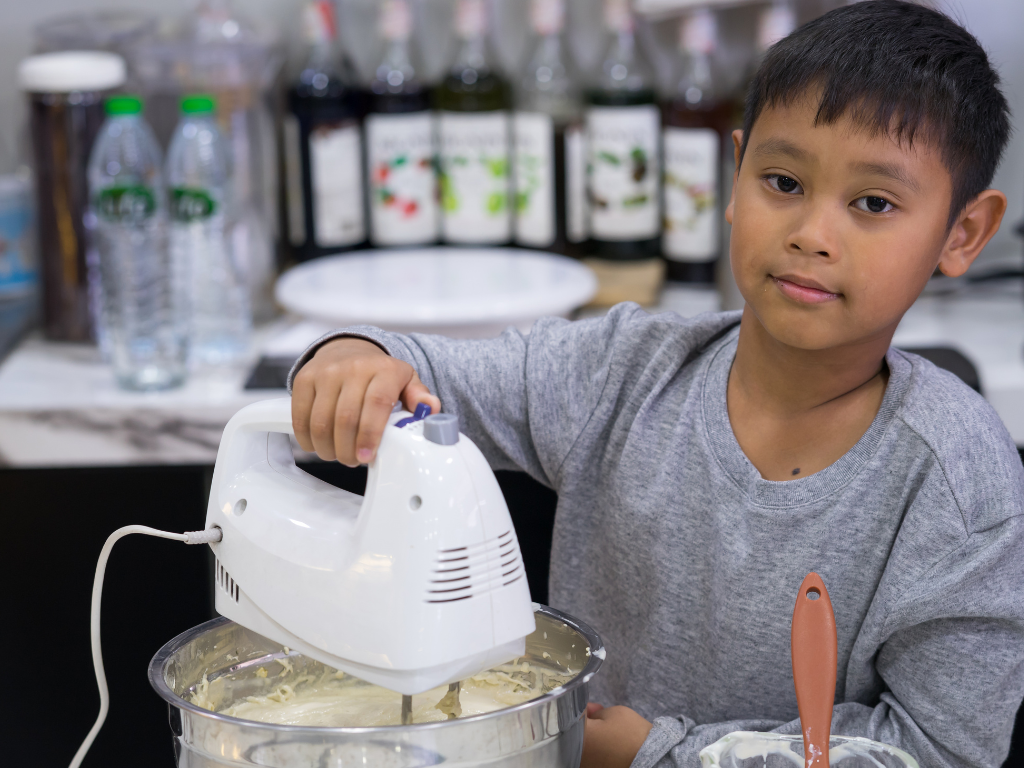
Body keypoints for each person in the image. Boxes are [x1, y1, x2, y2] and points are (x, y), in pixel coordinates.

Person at [288, 2, 1024, 765]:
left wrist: (662, 754)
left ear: (963, 232)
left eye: (873, 203)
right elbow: (423, 371)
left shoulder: (960, 484)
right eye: (782, 180)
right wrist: (351, 355)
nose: (812, 233)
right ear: (733, 179)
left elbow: (942, 749)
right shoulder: (623, 371)